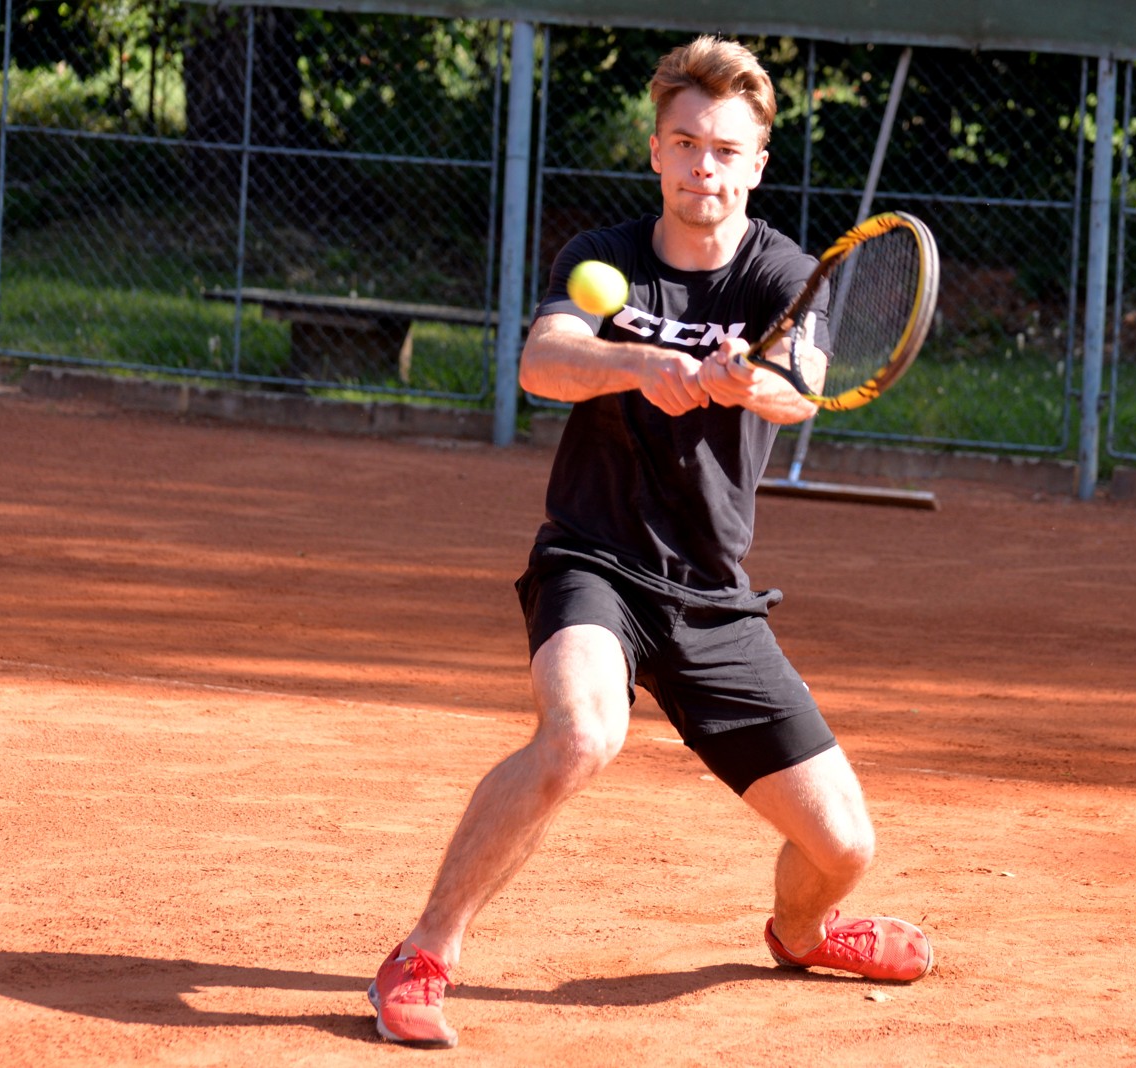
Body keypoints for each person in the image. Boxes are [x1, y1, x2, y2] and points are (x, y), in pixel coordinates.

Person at [368, 35, 931, 1050]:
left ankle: (803, 935)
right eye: (685, 143)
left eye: (725, 150)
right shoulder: (607, 257)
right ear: (657, 151)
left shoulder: (783, 274)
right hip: (594, 559)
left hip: (712, 594)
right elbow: (544, 359)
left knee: (845, 847)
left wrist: (744, 379)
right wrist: (639, 365)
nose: (702, 167)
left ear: (756, 164)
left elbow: (798, 388)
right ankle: (423, 954)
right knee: (581, 734)